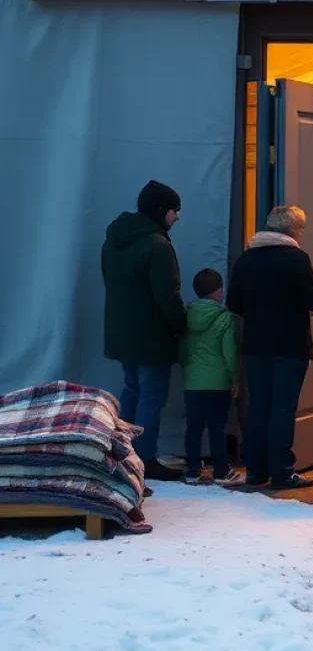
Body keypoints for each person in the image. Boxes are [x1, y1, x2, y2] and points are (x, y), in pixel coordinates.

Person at [226, 205, 313, 490]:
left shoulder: (246, 258)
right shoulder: (296, 259)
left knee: (258, 406)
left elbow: (233, 304)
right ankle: (282, 472)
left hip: (255, 345)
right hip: (290, 345)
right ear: (293, 230)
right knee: (283, 409)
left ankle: (255, 470)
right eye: (302, 229)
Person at [101, 180, 187, 482]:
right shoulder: (158, 246)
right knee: (152, 396)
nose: (176, 217)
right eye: (175, 210)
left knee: (132, 390)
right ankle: (146, 459)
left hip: (121, 333)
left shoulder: (114, 240)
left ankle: (125, 455)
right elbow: (168, 295)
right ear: (161, 210)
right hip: (151, 336)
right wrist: (182, 324)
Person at [179, 269, 243, 487]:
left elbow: (183, 349)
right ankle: (221, 470)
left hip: (192, 382)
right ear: (218, 291)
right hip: (218, 382)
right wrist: (234, 379)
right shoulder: (224, 317)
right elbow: (229, 353)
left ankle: (192, 471)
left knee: (193, 427)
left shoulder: (186, 315)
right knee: (217, 427)